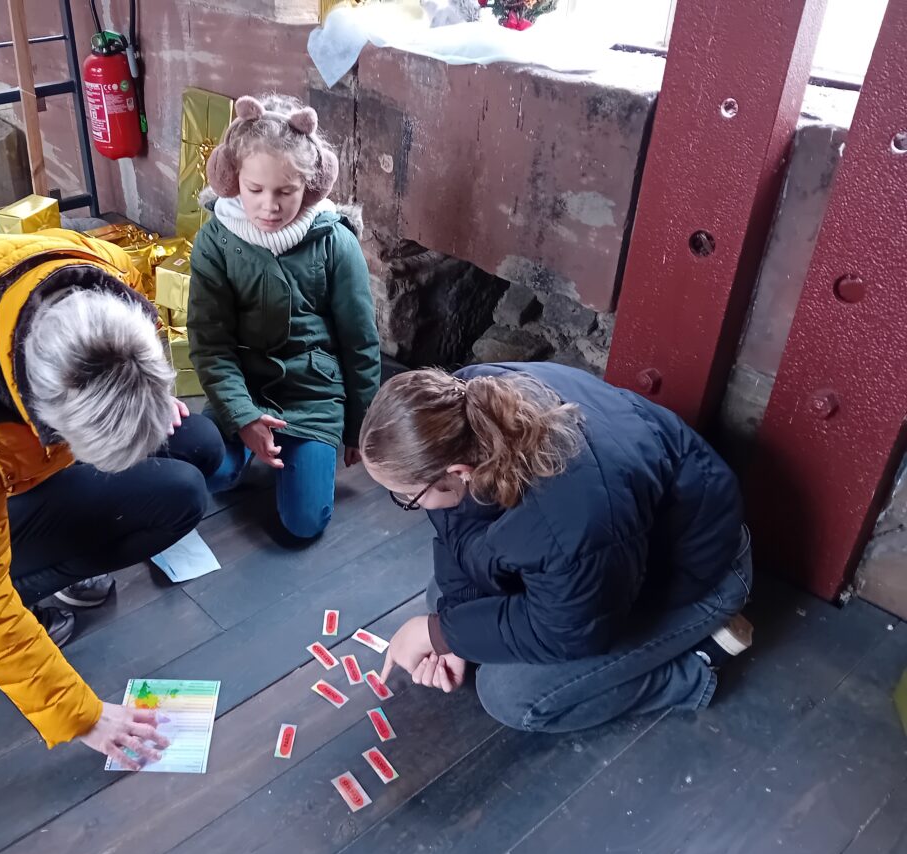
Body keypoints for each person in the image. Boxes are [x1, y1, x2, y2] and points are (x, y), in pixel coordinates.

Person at [0, 229, 225, 767]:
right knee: (181, 494)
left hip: (23, 463)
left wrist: (148, 390)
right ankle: (16, 594)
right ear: (45, 416)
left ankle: (64, 549)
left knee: (200, 443)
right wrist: (85, 717)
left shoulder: (101, 270)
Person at [363, 362, 753, 733]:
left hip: (700, 572)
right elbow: (460, 526)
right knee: (443, 599)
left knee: (511, 695)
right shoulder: (462, 407)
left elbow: (570, 631)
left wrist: (441, 634)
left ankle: (691, 669)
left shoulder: (573, 518)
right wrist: (450, 628)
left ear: (458, 474)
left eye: (408, 497)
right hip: (606, 553)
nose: (408, 504)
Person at [189, 93, 381, 539]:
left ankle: (301, 449)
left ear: (312, 184)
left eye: (285, 192)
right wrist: (243, 416)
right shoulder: (216, 241)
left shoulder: (335, 241)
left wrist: (361, 425)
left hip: (312, 393)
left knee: (304, 523)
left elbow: (360, 341)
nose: (269, 206)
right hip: (244, 385)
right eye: (255, 190)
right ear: (232, 179)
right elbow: (210, 344)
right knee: (213, 475)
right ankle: (248, 444)